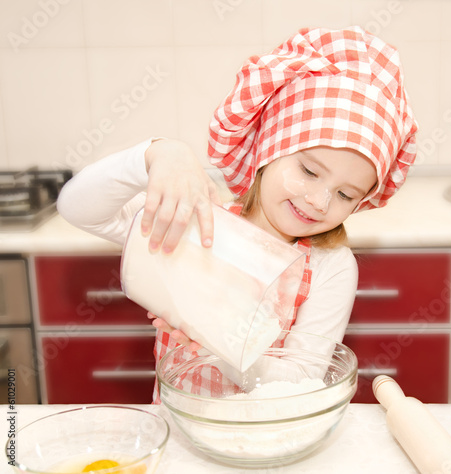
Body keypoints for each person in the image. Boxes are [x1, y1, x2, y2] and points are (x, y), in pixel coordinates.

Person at [57, 26, 418, 402]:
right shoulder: (199, 219)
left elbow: (296, 384)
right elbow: (79, 209)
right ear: (268, 147)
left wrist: (215, 332)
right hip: (182, 438)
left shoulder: (332, 266)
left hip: (267, 443)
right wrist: (159, 154)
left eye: (346, 195)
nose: (319, 202)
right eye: (309, 171)